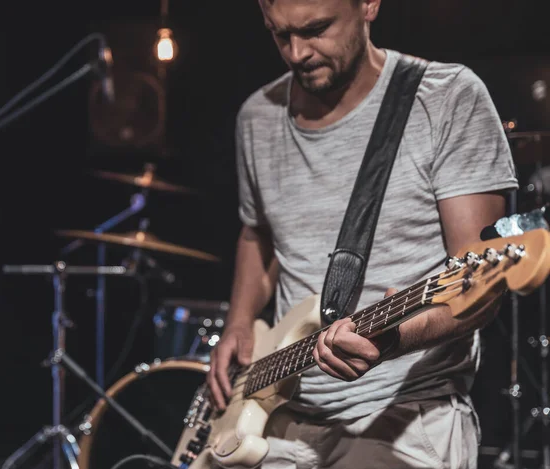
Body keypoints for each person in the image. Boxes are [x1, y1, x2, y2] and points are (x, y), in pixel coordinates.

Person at [206, 0, 519, 467]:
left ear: (369, 4)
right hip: (279, 416)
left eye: (316, 29)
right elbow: (258, 234)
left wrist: (392, 341)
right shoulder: (257, 116)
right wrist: (237, 321)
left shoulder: (447, 97)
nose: (297, 52)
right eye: (279, 34)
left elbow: (479, 288)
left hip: (406, 414)